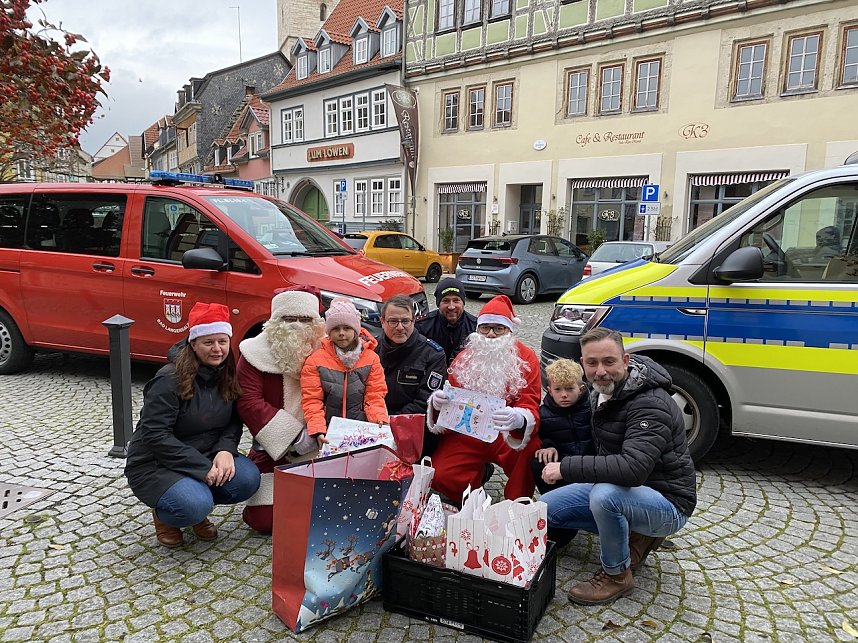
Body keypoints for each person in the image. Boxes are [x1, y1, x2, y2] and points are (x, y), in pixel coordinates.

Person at [540, 327, 697, 606]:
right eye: (592, 363)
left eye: (609, 361)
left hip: (667, 501)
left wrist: (566, 468)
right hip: (626, 489)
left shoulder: (650, 403)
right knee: (546, 508)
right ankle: (637, 534)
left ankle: (617, 575)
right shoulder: (597, 393)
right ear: (582, 364)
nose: (600, 371)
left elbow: (632, 469)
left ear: (625, 361)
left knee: (605, 497)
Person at [125, 302, 261, 548]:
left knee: (248, 479)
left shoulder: (227, 373)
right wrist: (201, 467)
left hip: (206, 452)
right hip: (157, 462)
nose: (217, 349)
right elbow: (155, 435)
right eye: (208, 342)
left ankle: (197, 506)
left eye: (222, 341)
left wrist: (225, 450)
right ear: (193, 344)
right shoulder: (168, 379)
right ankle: (169, 515)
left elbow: (233, 420)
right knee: (193, 503)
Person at [427, 295, 542, 501]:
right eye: (485, 328)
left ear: (509, 331)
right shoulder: (466, 357)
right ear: (477, 330)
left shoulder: (526, 358)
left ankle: (517, 503)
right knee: (440, 474)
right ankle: (470, 493)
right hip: (468, 432)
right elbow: (452, 396)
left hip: (504, 433)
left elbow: (530, 399)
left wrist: (519, 417)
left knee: (530, 448)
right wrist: (438, 404)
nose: (490, 334)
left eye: (498, 328)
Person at [236, 288, 326, 533]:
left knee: (325, 512)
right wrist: (294, 437)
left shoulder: (329, 349)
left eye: (305, 319)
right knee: (265, 520)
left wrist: (318, 433)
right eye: (289, 319)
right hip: (274, 450)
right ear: (275, 322)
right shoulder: (253, 353)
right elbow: (248, 401)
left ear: (317, 323)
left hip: (321, 445)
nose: (297, 325)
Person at [301, 297, 389, 437]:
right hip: (329, 430)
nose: (341, 333)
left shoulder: (371, 359)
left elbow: (375, 394)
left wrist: (378, 419)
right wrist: (318, 430)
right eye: (336, 328)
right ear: (329, 332)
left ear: (356, 330)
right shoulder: (315, 361)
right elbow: (312, 400)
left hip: (361, 429)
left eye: (347, 328)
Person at [377, 294, 447, 456]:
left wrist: (388, 421)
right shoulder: (371, 349)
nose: (400, 327)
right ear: (382, 322)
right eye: (393, 321)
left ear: (414, 321)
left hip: (413, 430)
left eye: (405, 321)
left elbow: (425, 402)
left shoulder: (433, 355)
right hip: (374, 423)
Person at [531, 358, 593, 495]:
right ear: (550, 391)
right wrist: (548, 446)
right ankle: (550, 498)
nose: (564, 395)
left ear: (581, 389)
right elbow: (543, 435)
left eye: (570, 389)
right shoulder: (544, 413)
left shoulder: (591, 408)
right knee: (539, 460)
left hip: (589, 464)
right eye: (558, 389)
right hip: (562, 465)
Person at [416, 277, 477, 366]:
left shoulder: (475, 327)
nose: (451, 306)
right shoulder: (422, 326)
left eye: (456, 300)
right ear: (438, 304)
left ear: (463, 302)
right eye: (446, 301)